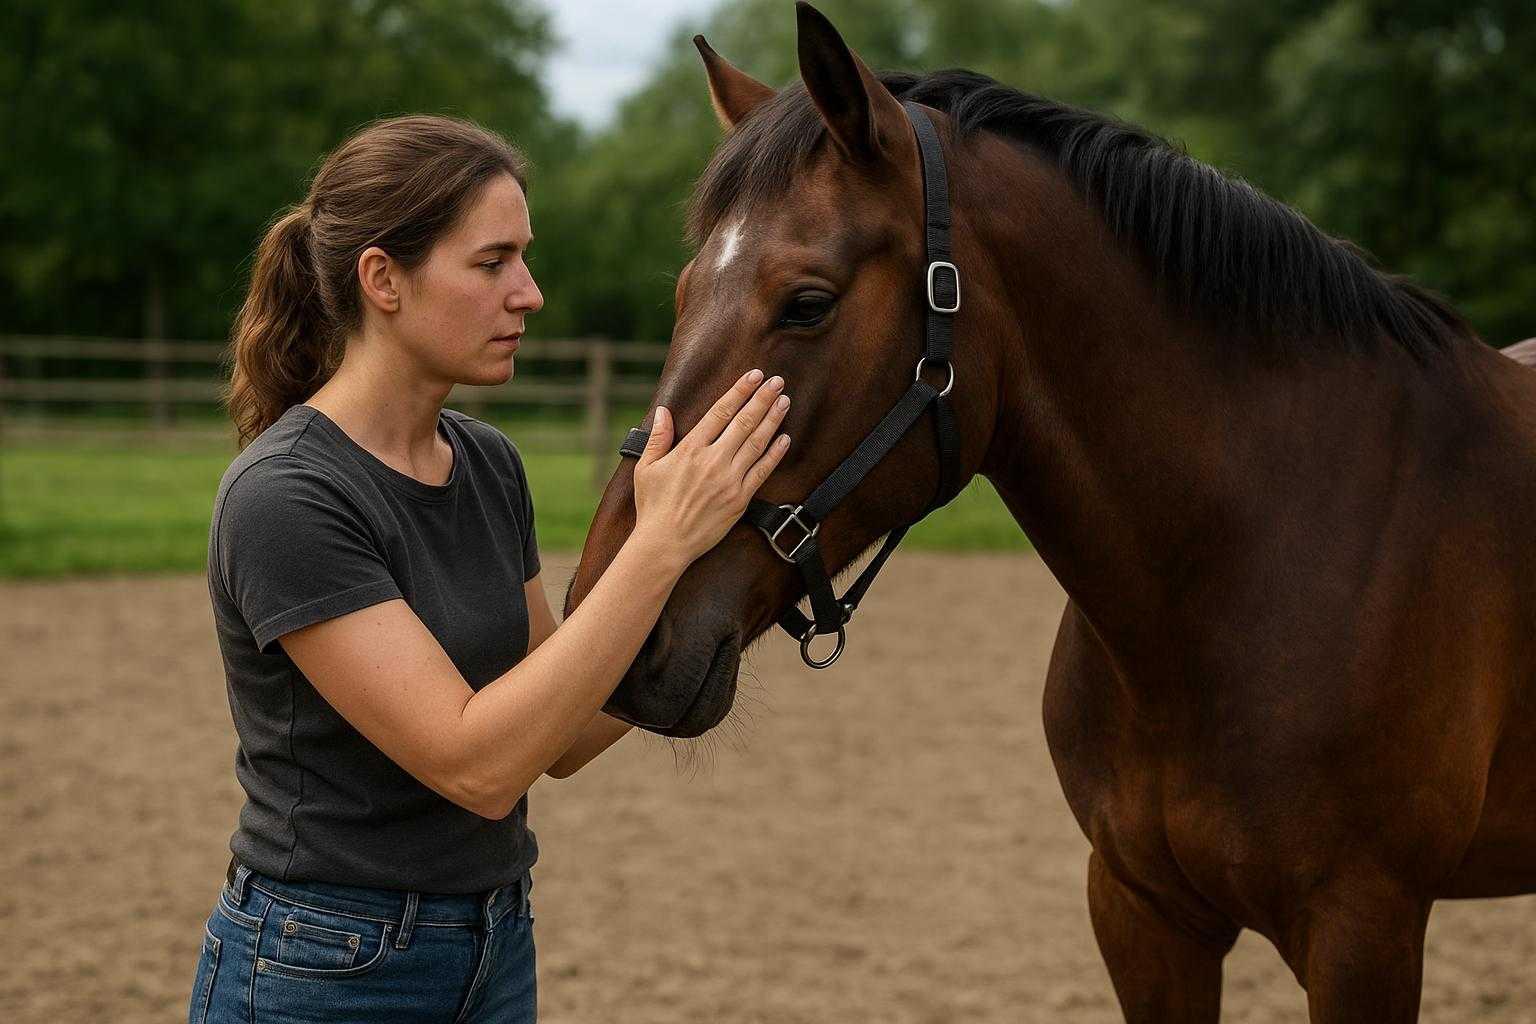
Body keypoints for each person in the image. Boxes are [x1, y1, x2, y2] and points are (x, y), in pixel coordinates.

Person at [187, 114, 792, 1024]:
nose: (530, 293)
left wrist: (730, 580)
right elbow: (478, 764)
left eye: (525, 258)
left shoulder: (487, 464)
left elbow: (561, 733)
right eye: (492, 262)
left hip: (496, 947)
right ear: (382, 279)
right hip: (323, 965)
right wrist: (659, 544)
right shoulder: (286, 497)